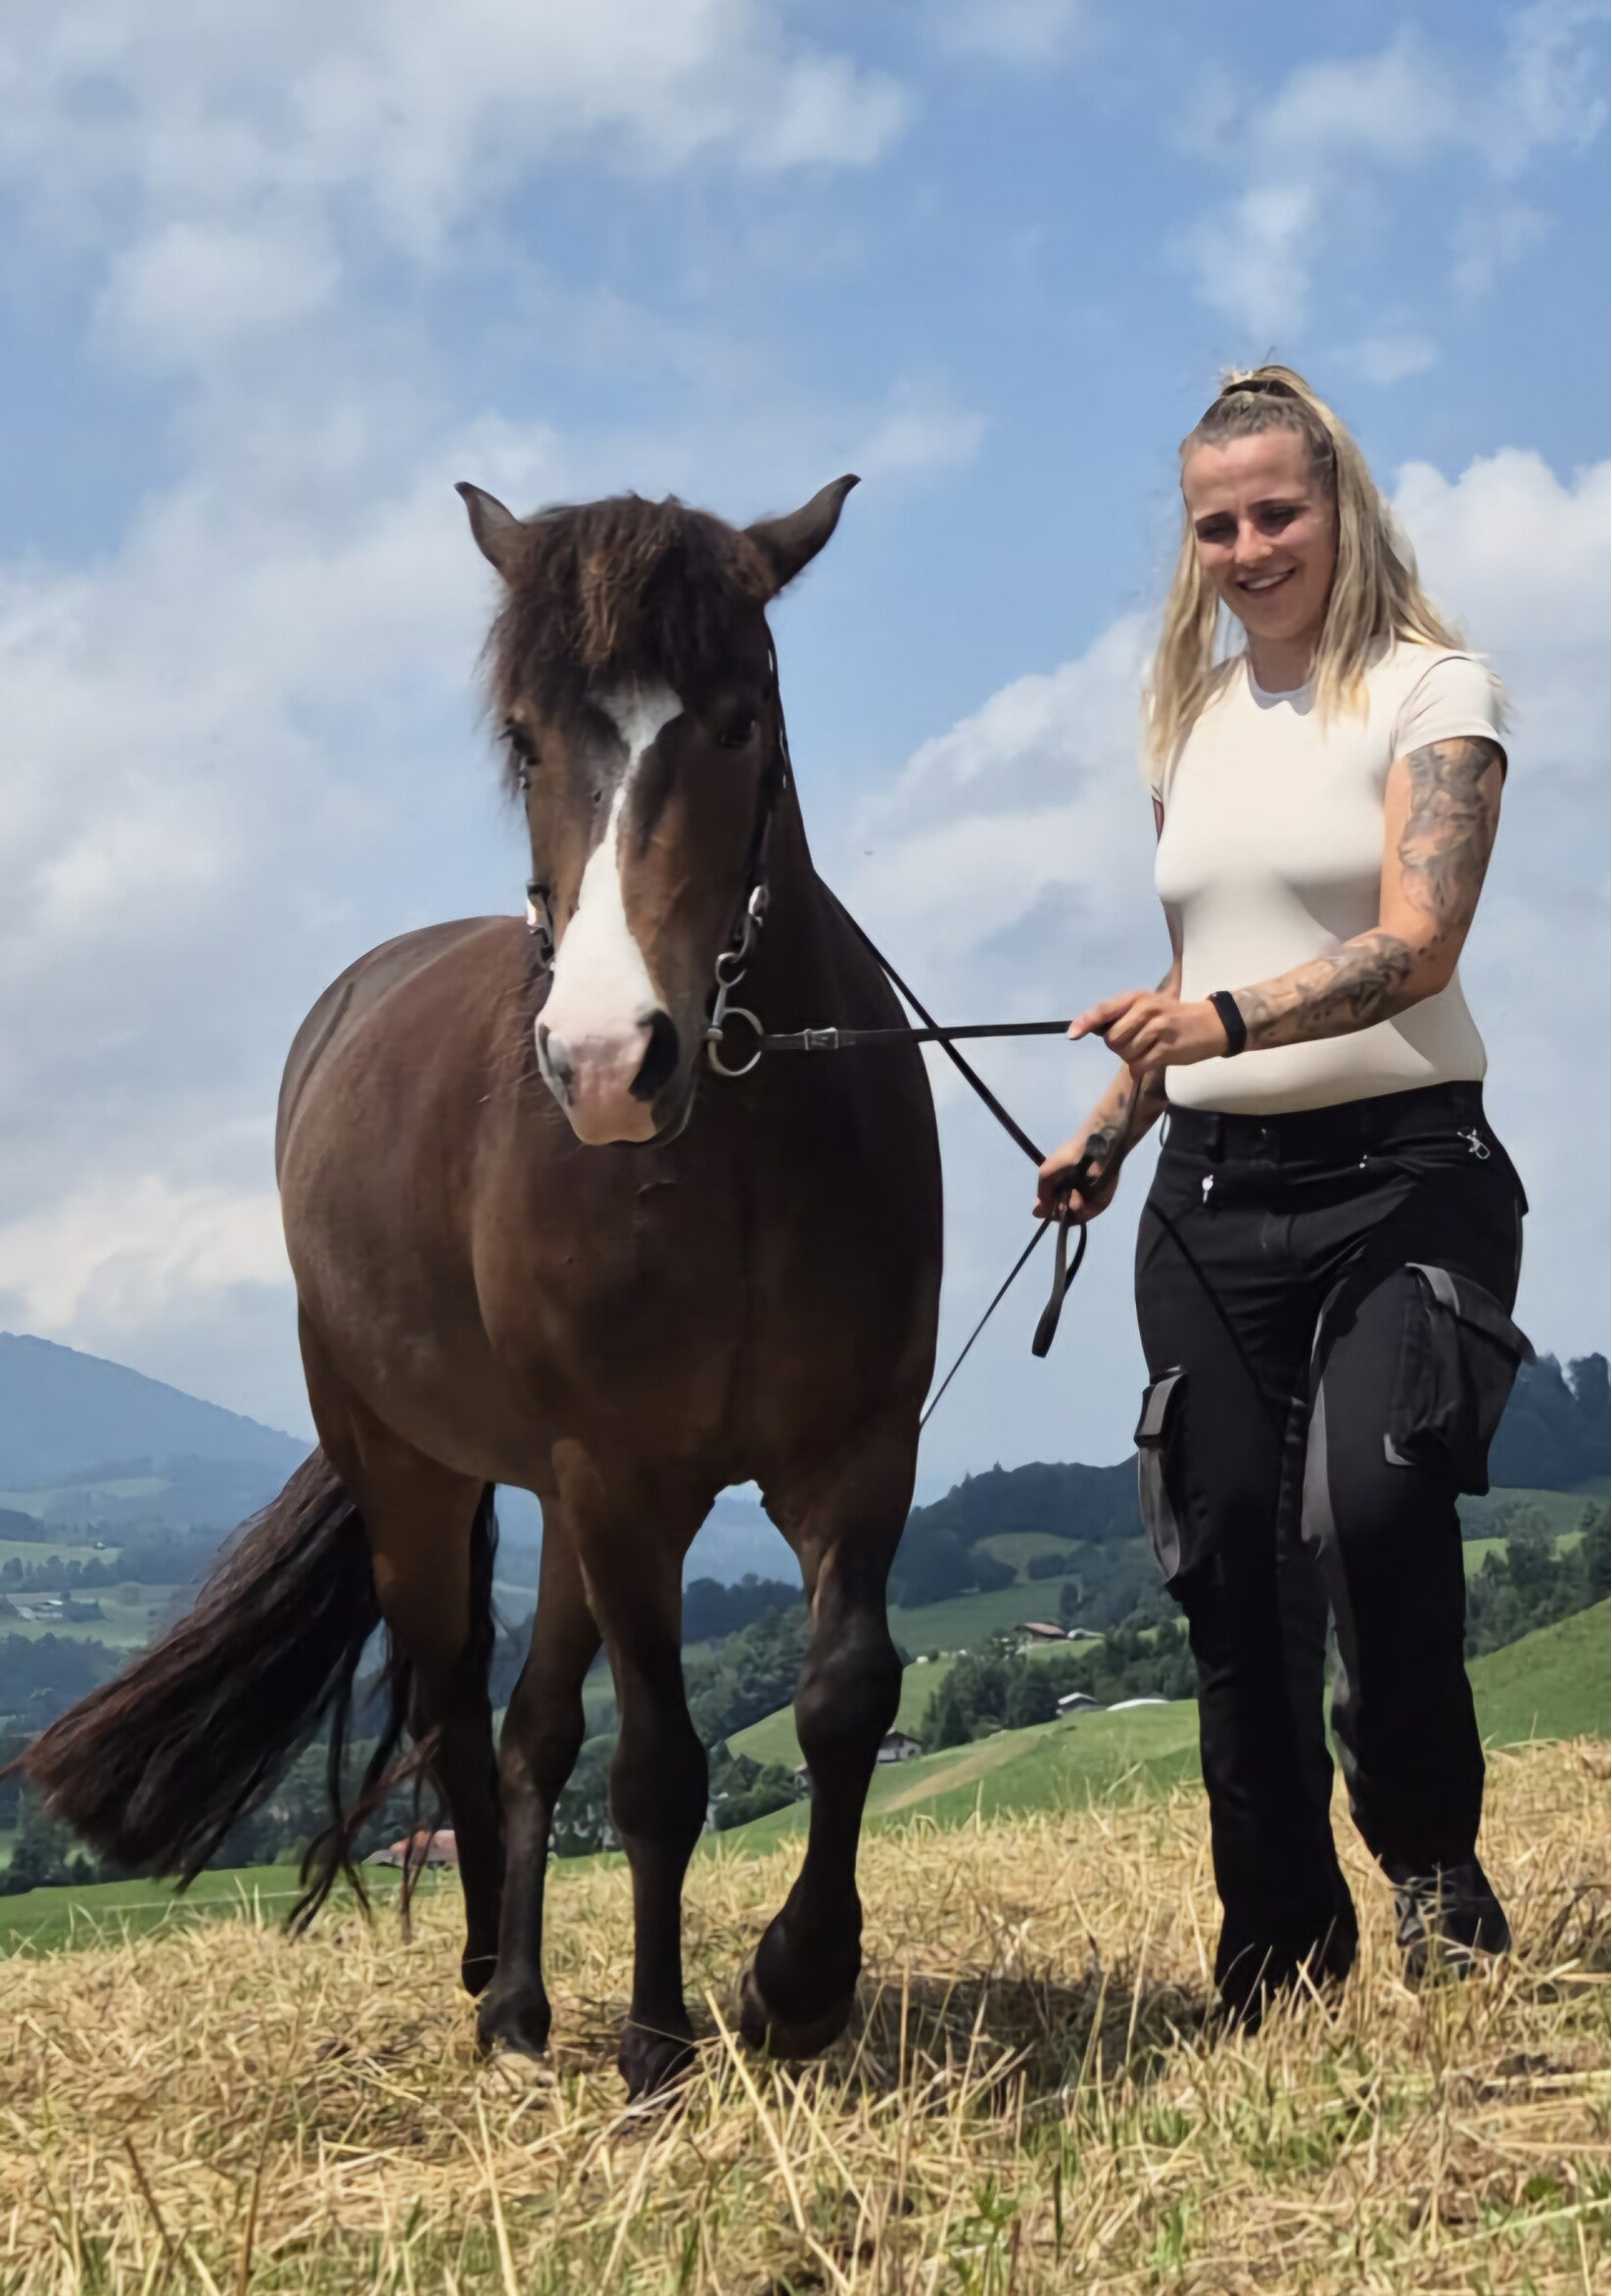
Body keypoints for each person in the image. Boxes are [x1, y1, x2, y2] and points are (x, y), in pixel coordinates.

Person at [1036, 364, 1531, 2022]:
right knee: (1229, 1567)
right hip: (1208, 1195)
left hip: (1406, 1175)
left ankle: (1432, 1865)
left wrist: (1226, 1023)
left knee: (1370, 1517)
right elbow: (1193, 967)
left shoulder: (1432, 689)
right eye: (1214, 525)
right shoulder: (1180, 722)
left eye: (1275, 513)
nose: (1247, 548)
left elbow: (1418, 942)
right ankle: (1276, 1949)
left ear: (1340, 508)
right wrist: (1109, 1129)